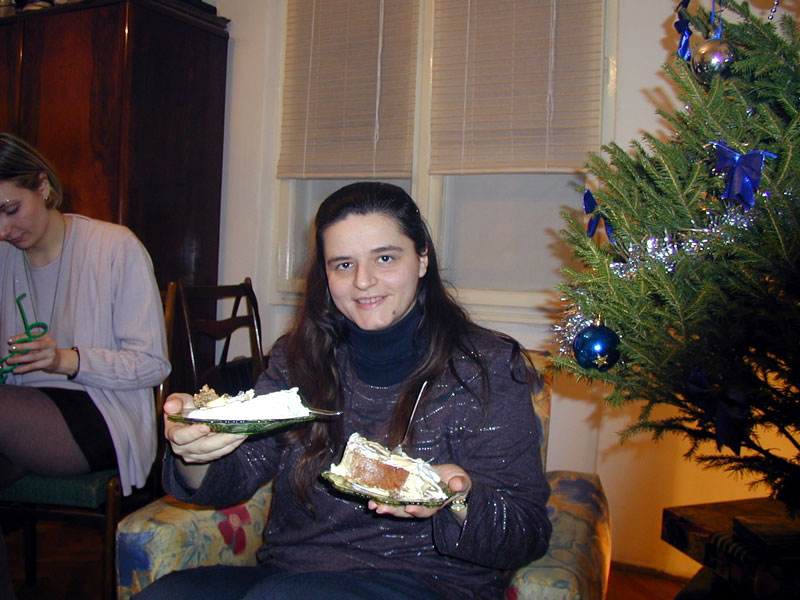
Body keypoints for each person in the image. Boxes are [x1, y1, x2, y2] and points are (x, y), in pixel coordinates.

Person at [144, 182, 551, 600]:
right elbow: (241, 470)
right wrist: (194, 450)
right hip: (291, 575)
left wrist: (458, 498)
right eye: (343, 264)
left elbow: (527, 533)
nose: (363, 281)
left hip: (430, 583)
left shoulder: (486, 368)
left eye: (385, 258)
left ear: (422, 259)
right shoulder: (297, 359)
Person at [0, 131, 170, 495]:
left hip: (103, 412)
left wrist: (65, 360)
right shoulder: (3, 258)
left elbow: (152, 365)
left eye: (11, 210)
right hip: (21, 412)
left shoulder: (114, 247)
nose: (3, 230)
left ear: (43, 186)